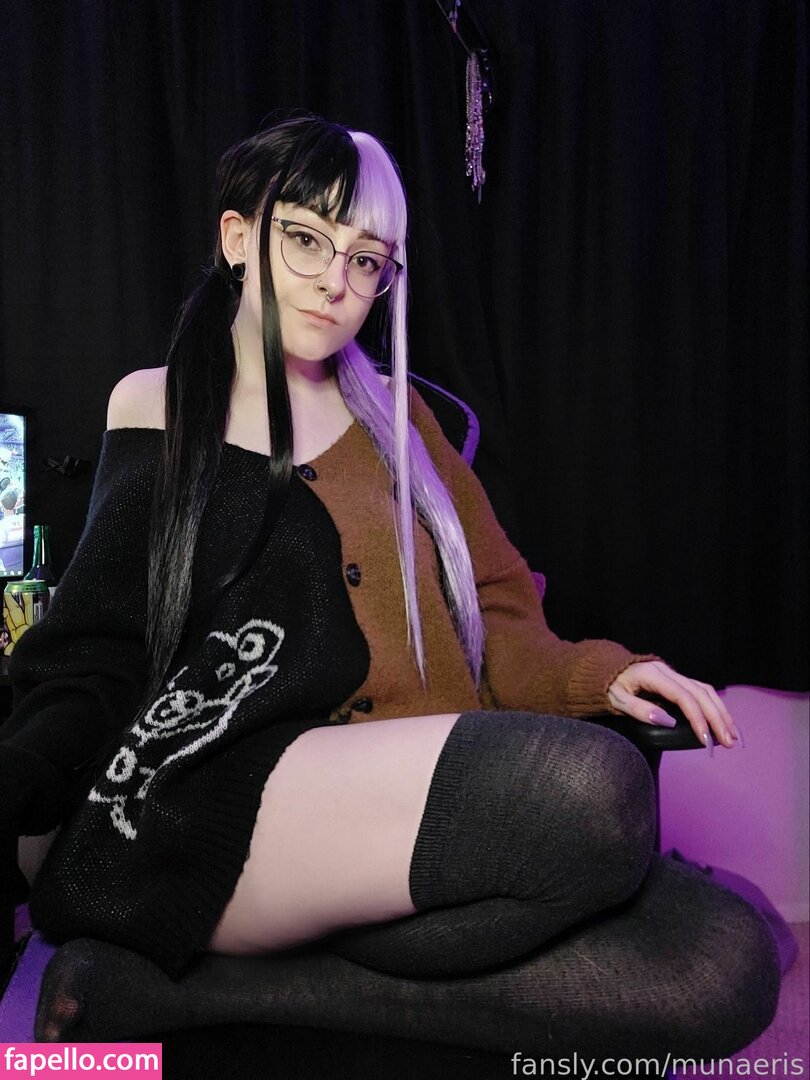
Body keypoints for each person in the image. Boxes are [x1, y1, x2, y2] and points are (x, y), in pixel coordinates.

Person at [0, 117, 779, 1059]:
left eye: (367, 259)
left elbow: (499, 613)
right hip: (240, 794)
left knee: (727, 960)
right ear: (239, 237)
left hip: (422, 805)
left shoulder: (400, 416)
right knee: (596, 789)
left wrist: (599, 676)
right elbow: (98, 644)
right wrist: (25, 782)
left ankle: (179, 990)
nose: (337, 280)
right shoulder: (157, 403)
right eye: (307, 238)